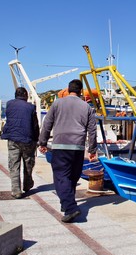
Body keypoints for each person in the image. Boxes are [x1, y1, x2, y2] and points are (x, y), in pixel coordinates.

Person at [38, 79, 97, 223]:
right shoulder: (87, 107)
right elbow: (92, 130)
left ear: (68, 89)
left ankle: (70, 208)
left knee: (61, 177)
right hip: (78, 147)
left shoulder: (57, 103)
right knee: (72, 177)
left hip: (60, 146)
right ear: (81, 91)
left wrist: (43, 142)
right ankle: (67, 204)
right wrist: (92, 150)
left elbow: (47, 124)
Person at [1, 87, 40, 199]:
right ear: (25, 95)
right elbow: (35, 125)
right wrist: (36, 139)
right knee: (28, 163)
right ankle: (27, 184)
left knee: (14, 164)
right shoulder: (31, 107)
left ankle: (16, 190)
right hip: (27, 139)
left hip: (13, 138)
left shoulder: (9, 104)